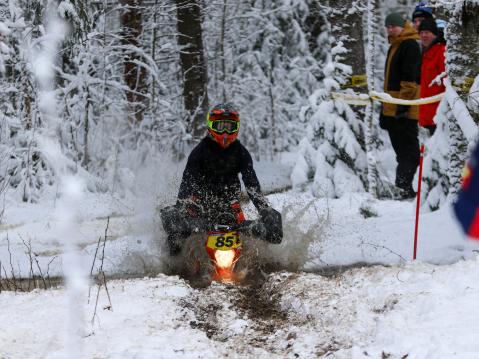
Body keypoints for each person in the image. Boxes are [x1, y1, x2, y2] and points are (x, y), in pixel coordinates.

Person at [161, 103, 282, 256]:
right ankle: (177, 266)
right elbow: (187, 183)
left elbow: (252, 185)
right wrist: (180, 210)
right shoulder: (199, 152)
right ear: (211, 126)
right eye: (220, 126)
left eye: (229, 127)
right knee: (179, 241)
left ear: (236, 128)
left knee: (249, 246)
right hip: (199, 204)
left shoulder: (241, 153)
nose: (225, 133)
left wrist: (265, 211)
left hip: (231, 205)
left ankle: (250, 265)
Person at [379, 12, 421, 200]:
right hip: (392, 106)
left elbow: (409, 79)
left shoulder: (409, 45)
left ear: (403, 27)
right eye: (387, 26)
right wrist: (385, 110)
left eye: (393, 26)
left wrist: (402, 107)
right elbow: (390, 82)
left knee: (410, 152)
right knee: (401, 151)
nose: (390, 29)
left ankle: (404, 187)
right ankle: (403, 188)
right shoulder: (395, 45)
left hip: (405, 109)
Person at [418, 18, 446, 135]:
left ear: (434, 34)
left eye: (427, 32)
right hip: (428, 115)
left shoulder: (441, 51)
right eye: (421, 33)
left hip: (439, 116)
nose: (423, 35)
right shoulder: (426, 53)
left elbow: (446, 83)